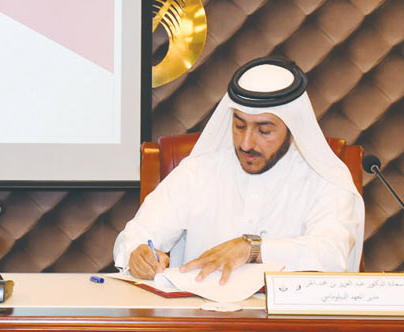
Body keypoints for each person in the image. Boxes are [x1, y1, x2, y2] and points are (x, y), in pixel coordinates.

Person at [114, 57, 363, 283]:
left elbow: (332, 254)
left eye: (264, 130)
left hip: (289, 328)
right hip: (201, 323)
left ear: (292, 126)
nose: (246, 143)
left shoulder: (324, 181)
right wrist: (137, 255)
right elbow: (136, 236)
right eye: (239, 126)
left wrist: (251, 249)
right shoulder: (199, 171)